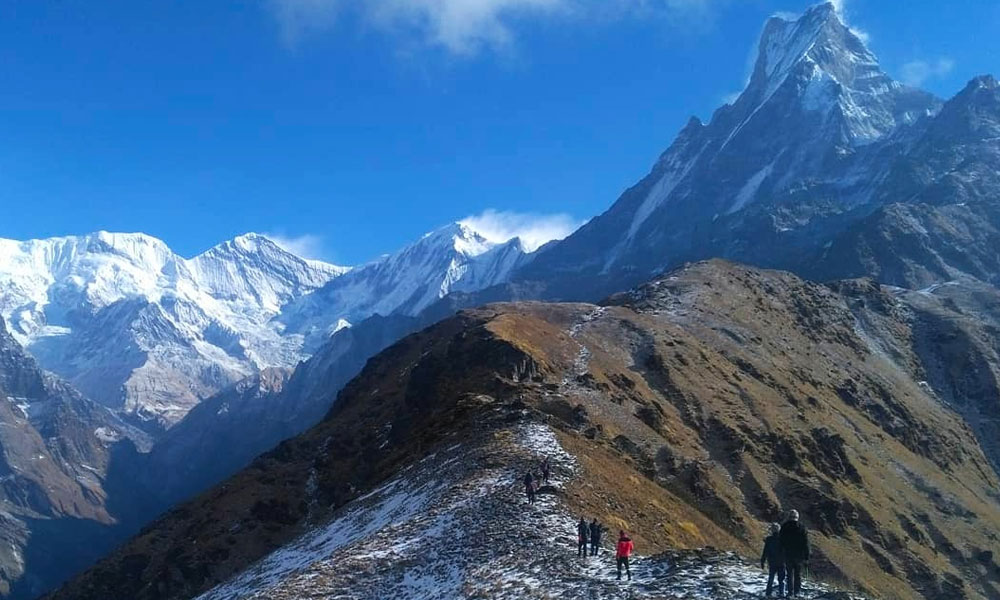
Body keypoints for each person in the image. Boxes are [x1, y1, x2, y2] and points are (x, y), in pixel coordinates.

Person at [779, 510, 809, 597]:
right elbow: (806, 543)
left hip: (788, 554)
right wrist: (806, 556)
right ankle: (797, 592)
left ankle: (790, 592)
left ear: (789, 517)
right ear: (797, 517)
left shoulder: (784, 527)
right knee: (797, 574)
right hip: (799, 555)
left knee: (789, 574)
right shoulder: (802, 527)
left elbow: (781, 541)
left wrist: (781, 553)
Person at [760, 522, 785, 597]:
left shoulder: (769, 539)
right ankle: (781, 593)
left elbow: (765, 551)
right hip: (781, 562)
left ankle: (768, 593)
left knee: (771, 579)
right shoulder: (783, 539)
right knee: (781, 580)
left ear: (772, 530)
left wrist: (762, 561)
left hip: (772, 562)